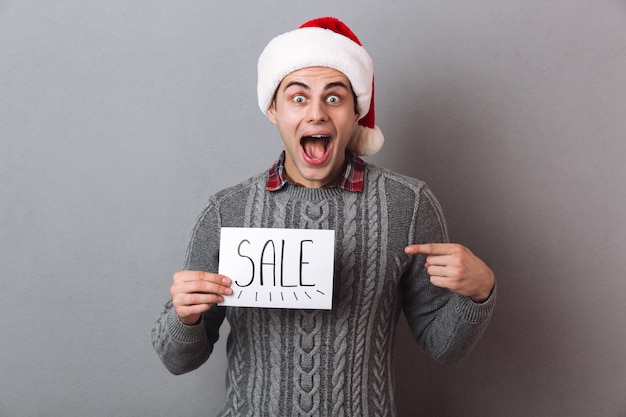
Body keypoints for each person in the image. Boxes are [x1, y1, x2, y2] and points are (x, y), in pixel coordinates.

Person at [152, 16, 496, 416]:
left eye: (333, 98)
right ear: (273, 110)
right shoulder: (226, 212)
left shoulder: (408, 204)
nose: (316, 113)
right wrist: (184, 317)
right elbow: (178, 360)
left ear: (356, 113)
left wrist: (480, 292)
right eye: (298, 98)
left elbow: (444, 346)